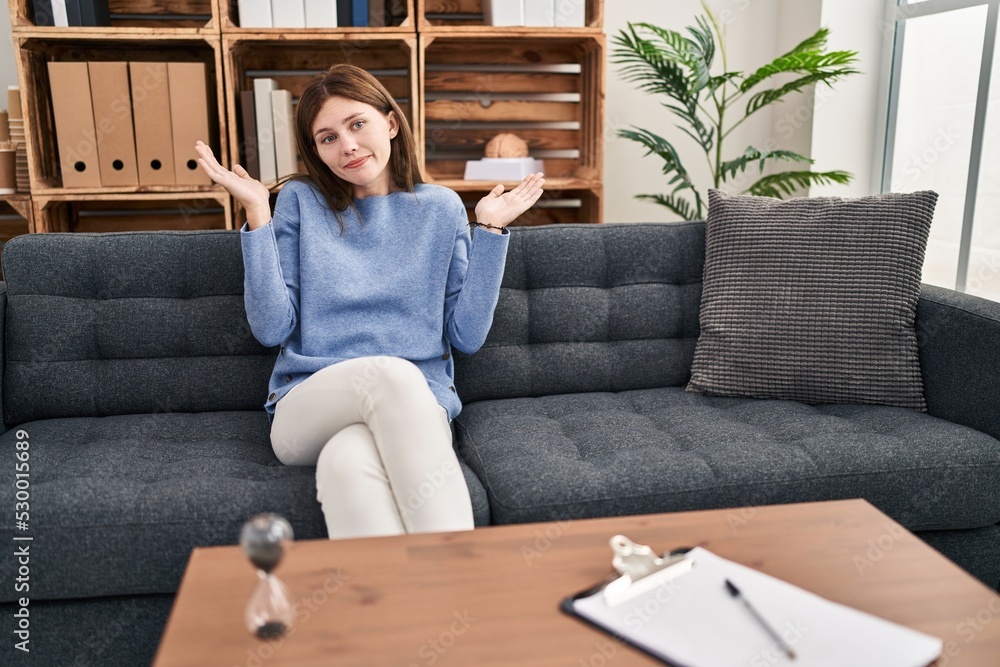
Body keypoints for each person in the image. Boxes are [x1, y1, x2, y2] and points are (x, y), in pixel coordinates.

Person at [194, 63, 544, 539]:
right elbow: (271, 328)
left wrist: (489, 231)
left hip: (416, 408)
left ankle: (396, 609)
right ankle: (466, 580)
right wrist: (258, 215)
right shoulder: (300, 202)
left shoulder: (440, 209)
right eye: (328, 137)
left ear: (391, 123)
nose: (348, 146)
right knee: (393, 374)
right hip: (306, 405)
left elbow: (467, 336)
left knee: (348, 460)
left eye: (357, 124)